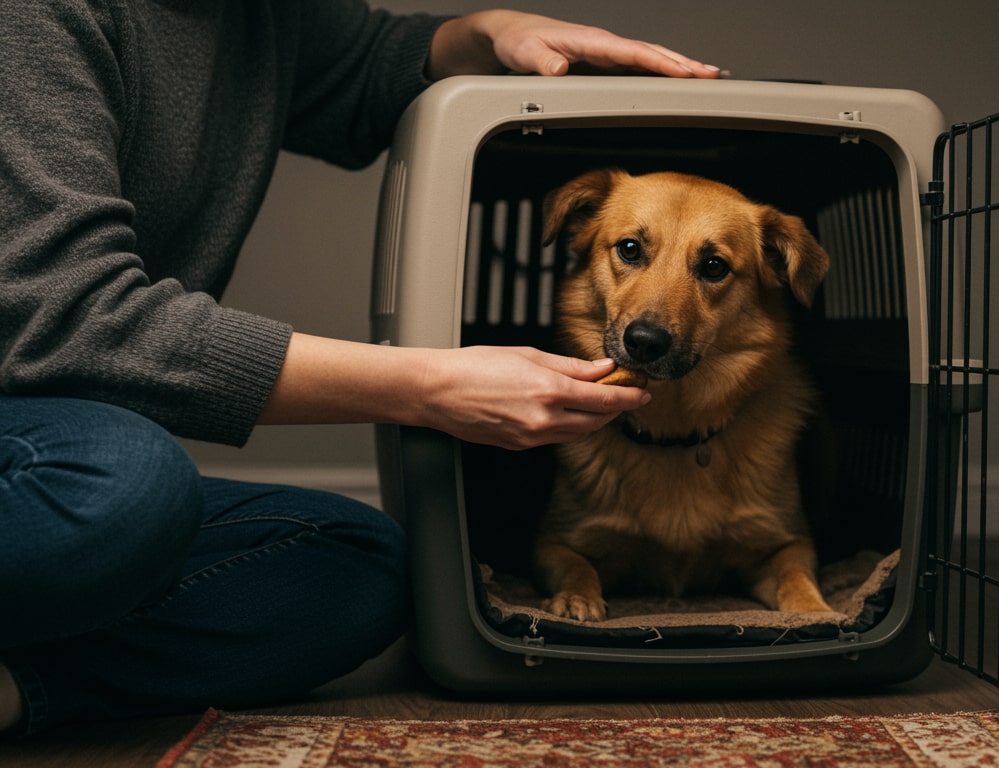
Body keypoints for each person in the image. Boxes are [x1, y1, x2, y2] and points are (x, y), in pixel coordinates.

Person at [0, 1, 720, 736]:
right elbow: (71, 324)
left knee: (358, 566)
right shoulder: (33, 18)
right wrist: (431, 386)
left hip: (68, 445)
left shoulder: (254, 17)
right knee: (125, 479)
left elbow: (358, 64)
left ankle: (18, 688)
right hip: (45, 445)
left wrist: (488, 31)